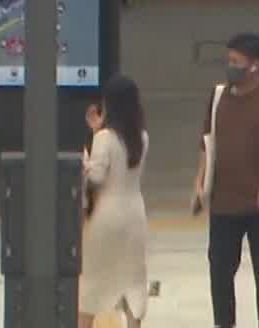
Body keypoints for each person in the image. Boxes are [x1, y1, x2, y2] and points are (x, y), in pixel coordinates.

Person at [192, 33, 259, 328]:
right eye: (228, 61)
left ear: (254, 66)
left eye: (235, 62)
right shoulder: (217, 98)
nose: (230, 67)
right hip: (223, 203)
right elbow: (207, 142)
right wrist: (199, 182)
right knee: (220, 270)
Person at [81, 74, 150, 328]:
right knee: (133, 278)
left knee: (93, 278)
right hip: (134, 212)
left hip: (106, 215)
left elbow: (97, 176)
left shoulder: (104, 138)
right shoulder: (142, 137)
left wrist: (84, 163)